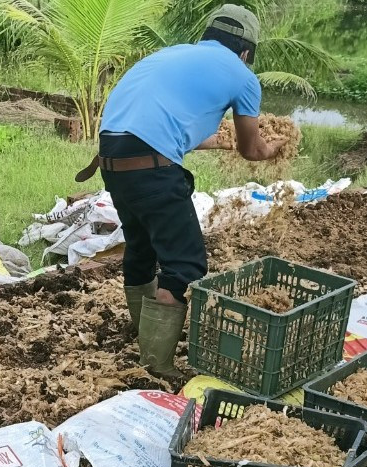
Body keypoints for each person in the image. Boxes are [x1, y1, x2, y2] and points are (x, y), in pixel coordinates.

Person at [81, 4, 282, 380]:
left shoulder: (174, 54)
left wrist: (221, 142)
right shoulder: (243, 76)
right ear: (246, 53)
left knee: (142, 248)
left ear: (209, 37)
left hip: (112, 160)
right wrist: (276, 147)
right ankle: (156, 367)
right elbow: (252, 149)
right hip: (152, 167)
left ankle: (144, 334)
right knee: (184, 265)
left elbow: (166, 129)